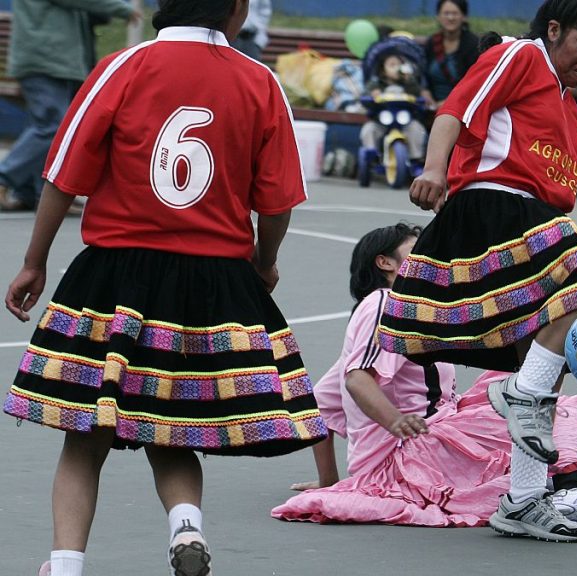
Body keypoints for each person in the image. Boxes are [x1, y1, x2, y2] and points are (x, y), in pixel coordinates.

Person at [2, 1, 328, 575]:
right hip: (210, 281)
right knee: (173, 427)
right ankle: (185, 527)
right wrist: (264, 261)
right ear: (237, 10)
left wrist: (34, 261)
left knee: (85, 432)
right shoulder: (260, 81)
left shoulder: (122, 66)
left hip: (116, 274)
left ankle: (65, 564)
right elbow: (276, 202)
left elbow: (62, 173)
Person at [376, 0, 577, 544]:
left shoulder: (571, 114)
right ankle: (519, 395)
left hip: (534, 219)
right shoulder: (518, 55)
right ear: (555, 29)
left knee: (541, 361)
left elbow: (557, 197)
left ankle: (524, 500)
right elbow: (455, 111)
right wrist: (435, 170)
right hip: (491, 207)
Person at [274, 223, 577, 529]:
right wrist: (396, 421)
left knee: (521, 385)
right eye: (417, 254)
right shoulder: (385, 303)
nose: (428, 261)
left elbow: (318, 405)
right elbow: (357, 379)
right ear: (385, 262)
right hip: (408, 455)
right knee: (555, 405)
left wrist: (330, 480)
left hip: (431, 437)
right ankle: (565, 489)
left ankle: (549, 487)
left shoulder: (400, 313)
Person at [0, 0, 141, 213]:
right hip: (46, 59)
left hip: (52, 59)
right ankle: (5, 177)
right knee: (52, 127)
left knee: (49, 125)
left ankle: (30, 192)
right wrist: (123, 9)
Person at [359, 51, 429, 163]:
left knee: (416, 129)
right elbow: (365, 96)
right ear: (383, 70)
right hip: (382, 121)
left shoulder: (408, 83)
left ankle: (416, 158)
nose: (396, 68)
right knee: (369, 129)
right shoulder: (376, 84)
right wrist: (371, 95)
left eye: (399, 65)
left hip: (404, 121)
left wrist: (409, 80)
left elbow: (417, 94)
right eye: (392, 65)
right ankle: (372, 154)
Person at [422, 0, 480, 109]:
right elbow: (423, 74)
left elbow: (473, 83)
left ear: (464, 17)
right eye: (446, 13)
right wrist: (425, 92)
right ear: (438, 16)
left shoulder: (473, 45)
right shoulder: (432, 42)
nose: (450, 18)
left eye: (455, 13)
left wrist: (448, 103)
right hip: (431, 106)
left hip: (463, 107)